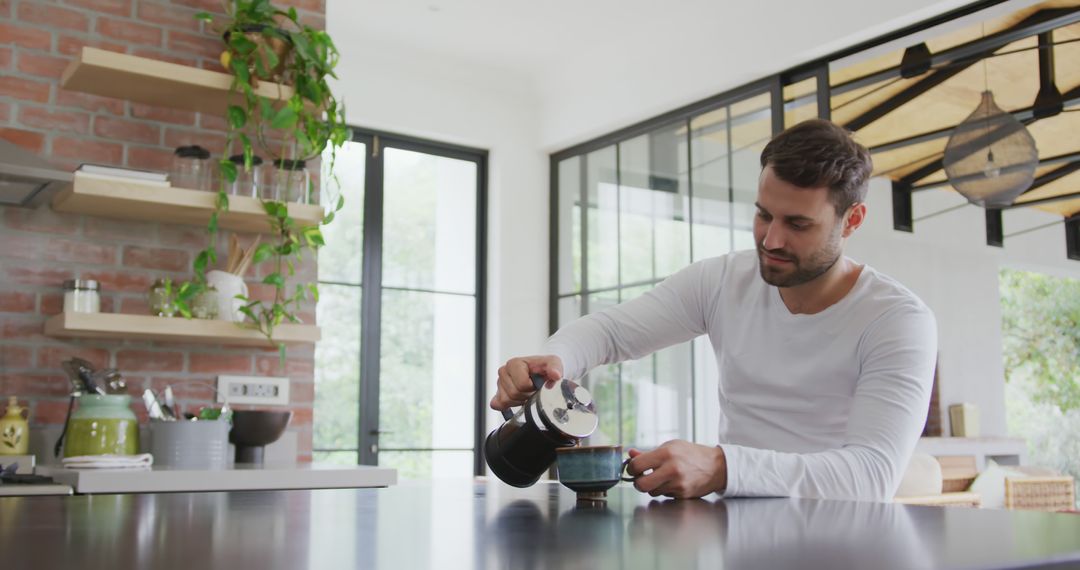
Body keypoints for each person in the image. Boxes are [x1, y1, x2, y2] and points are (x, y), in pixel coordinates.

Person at [491, 119, 938, 502]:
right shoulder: (723, 280)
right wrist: (556, 360)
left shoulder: (897, 321)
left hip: (845, 539)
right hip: (738, 528)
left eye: (798, 224)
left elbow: (870, 475)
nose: (771, 240)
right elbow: (610, 332)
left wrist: (723, 468)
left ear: (852, 220)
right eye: (764, 215)